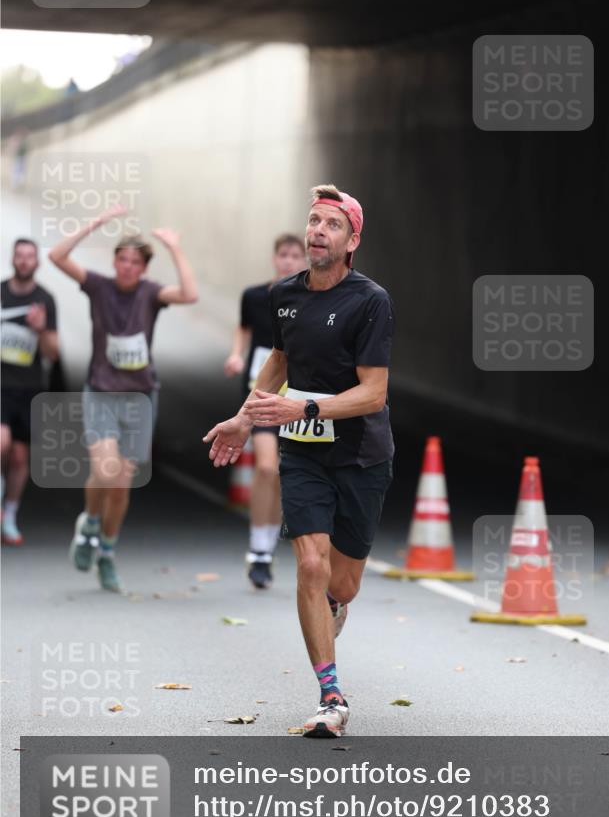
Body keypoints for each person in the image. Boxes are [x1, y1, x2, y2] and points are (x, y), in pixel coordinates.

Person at [204, 184, 394, 737]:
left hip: (361, 455)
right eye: (313, 221)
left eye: (332, 225)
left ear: (352, 241)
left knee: (343, 583)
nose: (318, 231)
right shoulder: (284, 294)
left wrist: (305, 406)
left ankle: (334, 605)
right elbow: (280, 359)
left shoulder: (371, 301)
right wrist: (245, 417)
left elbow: (374, 393)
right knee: (311, 565)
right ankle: (331, 696)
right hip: (303, 453)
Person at [48, 204, 198, 593]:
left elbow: (190, 294)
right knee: (105, 469)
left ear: (143, 268)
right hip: (101, 391)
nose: (128, 266)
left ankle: (107, 552)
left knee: (121, 484)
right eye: (122, 259)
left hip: (140, 398)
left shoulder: (151, 294)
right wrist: (96, 223)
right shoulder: (98, 286)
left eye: (135, 262)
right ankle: (89, 523)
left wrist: (174, 248)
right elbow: (57, 256)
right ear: (114, 261)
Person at [224, 233, 306, 589]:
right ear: (274, 258)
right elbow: (243, 329)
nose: (289, 261)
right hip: (261, 392)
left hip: (298, 398)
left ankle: (267, 547)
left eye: (295, 256)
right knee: (266, 467)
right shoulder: (255, 296)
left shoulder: (311, 299)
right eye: (283, 255)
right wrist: (236, 354)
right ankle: (258, 551)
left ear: (304, 260)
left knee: (285, 474)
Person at [1, 239, 59, 544]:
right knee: (1, 442)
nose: (24, 261)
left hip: (29, 388)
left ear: (37, 262)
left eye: (29, 257)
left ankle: (10, 515)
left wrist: (40, 329)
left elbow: (53, 353)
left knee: (20, 457)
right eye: (19, 256)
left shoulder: (45, 300)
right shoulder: (0, 293)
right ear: (12, 259)